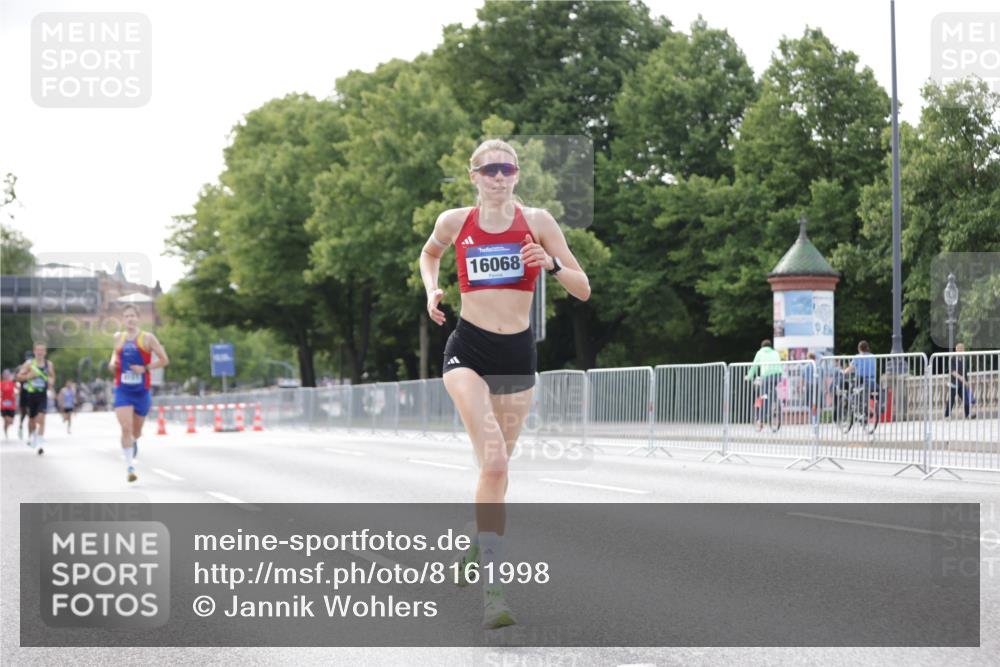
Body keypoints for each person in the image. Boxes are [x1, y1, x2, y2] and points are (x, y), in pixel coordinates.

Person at [419, 139, 590, 629]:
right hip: (468, 349)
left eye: (506, 168)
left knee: (497, 473)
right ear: (474, 175)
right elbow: (429, 256)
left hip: (517, 354)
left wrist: (551, 265)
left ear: (516, 174)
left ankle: (477, 540)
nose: (498, 176)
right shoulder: (455, 222)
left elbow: (583, 286)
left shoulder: (537, 222)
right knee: (492, 460)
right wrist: (433, 289)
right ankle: (494, 594)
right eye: (489, 169)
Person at [108, 304, 170, 483]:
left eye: (132, 316)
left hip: (142, 391)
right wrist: (112, 364)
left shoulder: (147, 338)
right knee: (125, 427)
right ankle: (130, 467)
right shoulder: (118, 337)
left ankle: (133, 441)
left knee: (136, 431)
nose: (129, 319)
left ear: (138, 318)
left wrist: (145, 368)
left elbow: (165, 360)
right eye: (126, 316)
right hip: (123, 389)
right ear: (123, 319)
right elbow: (114, 355)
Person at [16, 342, 55, 454]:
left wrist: (50, 382)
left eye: (42, 350)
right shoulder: (29, 364)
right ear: (34, 351)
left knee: (41, 419)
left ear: (45, 352)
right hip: (31, 395)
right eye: (38, 350)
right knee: (32, 420)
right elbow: (18, 377)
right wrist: (29, 376)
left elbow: (52, 376)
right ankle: (33, 435)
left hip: (42, 394)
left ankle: (40, 444)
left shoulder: (49, 364)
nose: (40, 352)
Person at [745, 339, 782, 429]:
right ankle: (775, 402)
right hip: (778, 376)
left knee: (763, 397)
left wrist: (748, 377)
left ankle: (760, 421)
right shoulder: (775, 353)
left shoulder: (760, 352)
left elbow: (754, 366)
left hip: (766, 376)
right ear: (770, 346)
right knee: (771, 390)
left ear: (762, 347)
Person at [945, 343, 974, 419]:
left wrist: (966, 381)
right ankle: (947, 415)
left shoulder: (964, 359)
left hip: (961, 384)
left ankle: (967, 415)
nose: (962, 351)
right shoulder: (953, 358)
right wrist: (961, 378)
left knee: (966, 399)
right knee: (951, 400)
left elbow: (965, 372)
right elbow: (952, 371)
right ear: (956, 350)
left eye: (963, 349)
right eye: (960, 349)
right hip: (953, 383)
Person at [1, 370, 16, 439]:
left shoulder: (12, 383)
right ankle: (5, 431)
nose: (6, 376)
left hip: (11, 405)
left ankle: (5, 428)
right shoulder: (1, 383)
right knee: (7, 420)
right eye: (5, 374)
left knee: (11, 422)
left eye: (7, 374)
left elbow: (16, 390)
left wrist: (16, 393)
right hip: (3, 405)